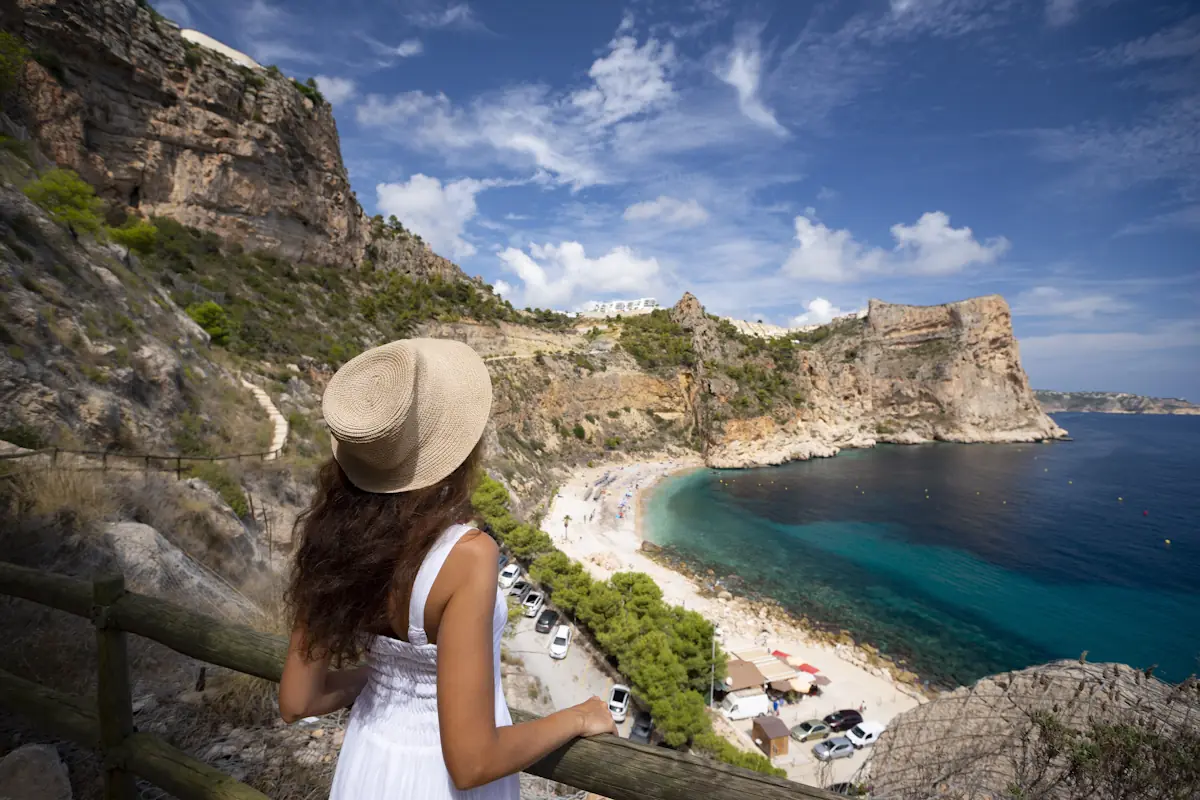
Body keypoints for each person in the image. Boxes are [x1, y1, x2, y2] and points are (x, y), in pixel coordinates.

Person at [279, 339, 616, 799]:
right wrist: (579, 716)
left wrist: (378, 677)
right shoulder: (467, 555)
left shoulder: (333, 541)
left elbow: (298, 701)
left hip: (367, 766)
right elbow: (473, 761)